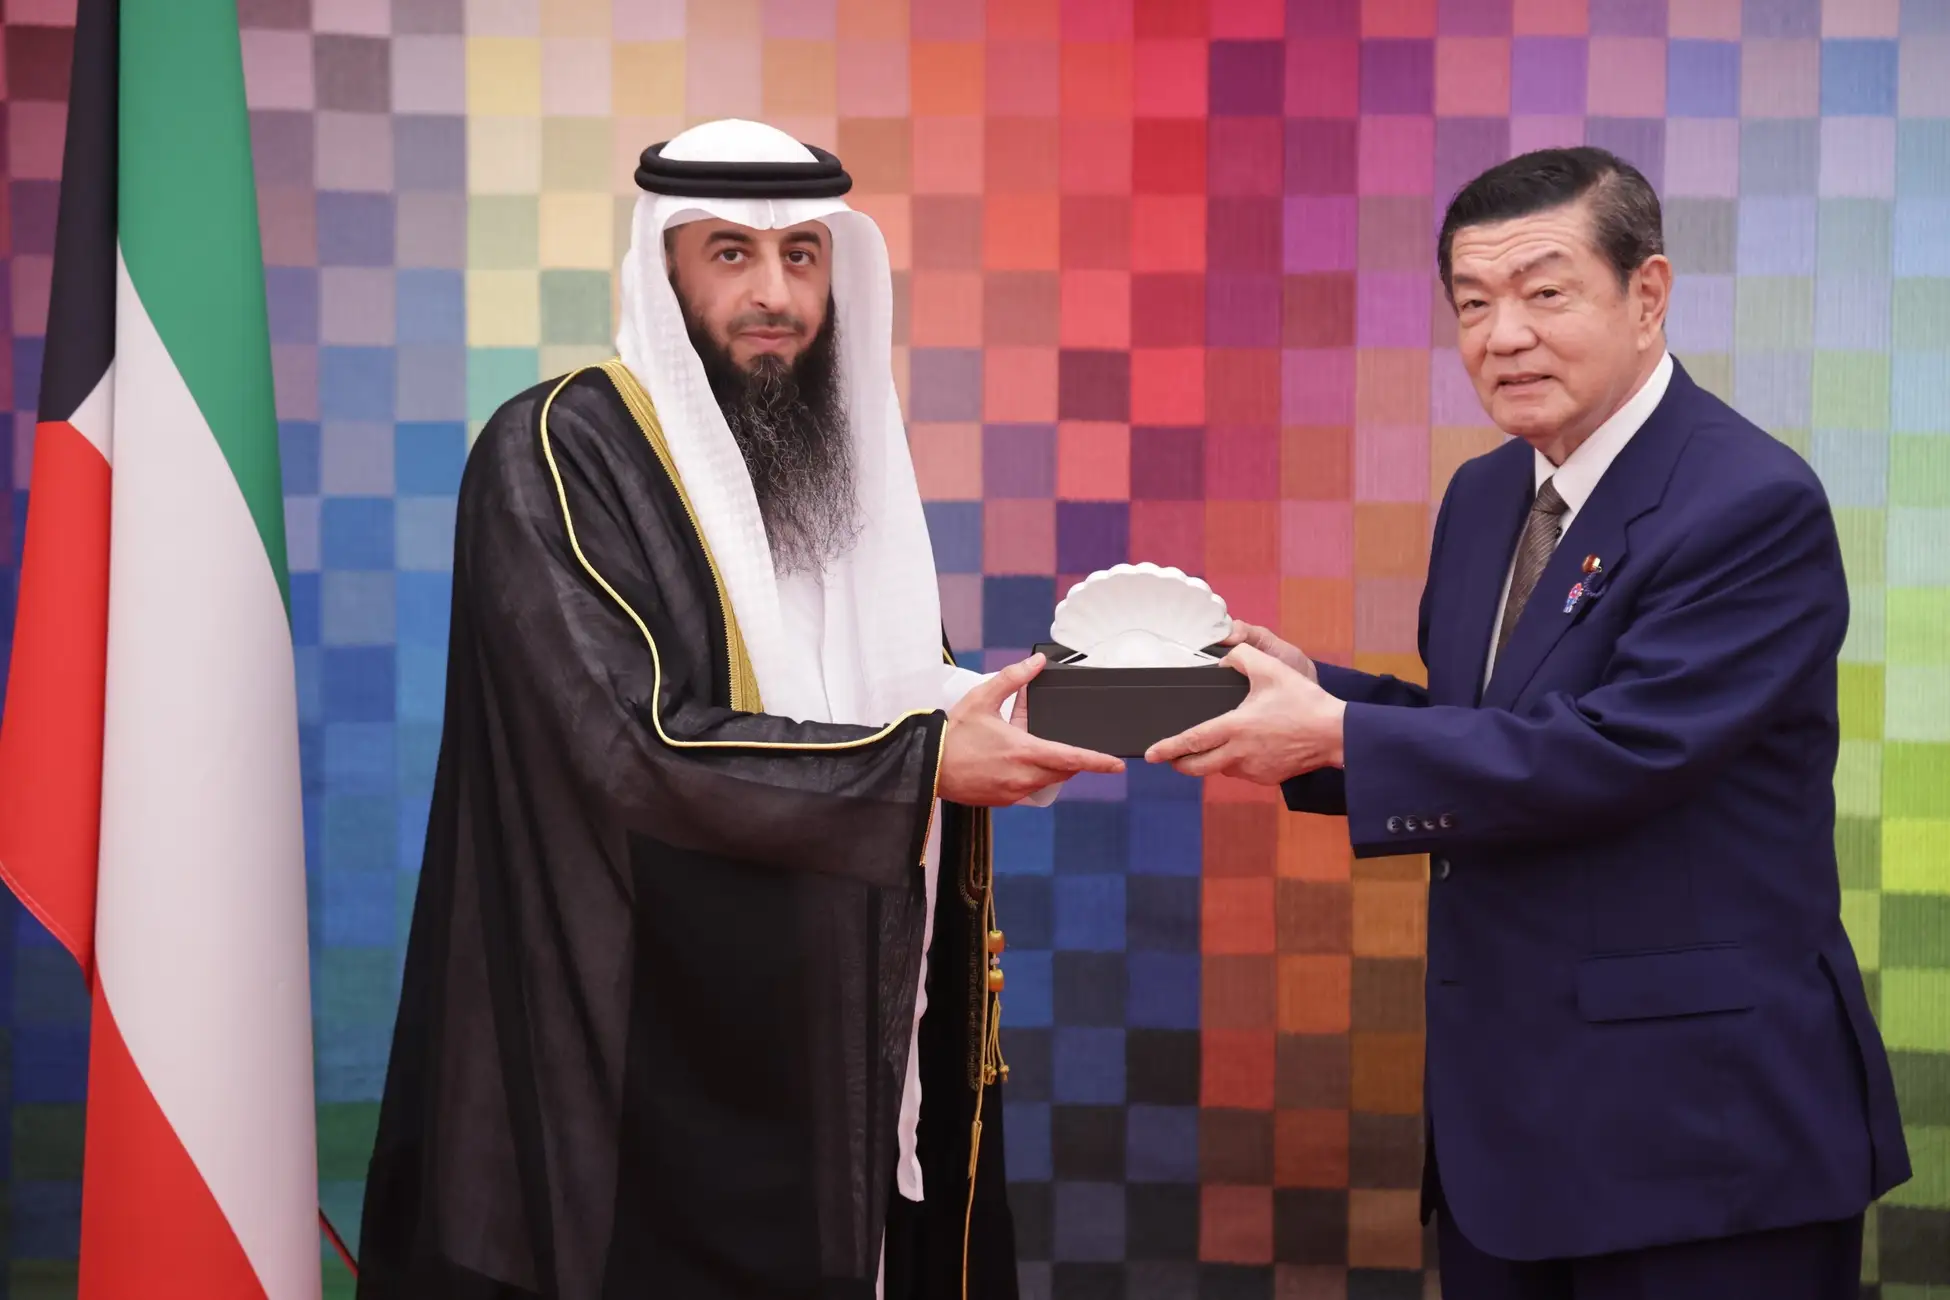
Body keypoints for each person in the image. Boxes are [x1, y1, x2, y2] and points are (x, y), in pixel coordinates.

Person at [355, 119, 1121, 1300]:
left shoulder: (827, 462)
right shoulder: (559, 450)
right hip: (643, 1053)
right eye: (731, 254)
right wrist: (926, 763)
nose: (776, 294)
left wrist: (1012, 709)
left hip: (840, 1029)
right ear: (663, 267)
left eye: (802, 255)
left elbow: (885, 688)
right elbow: (627, 742)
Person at [1147, 147, 1909, 1299]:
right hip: (1509, 1126)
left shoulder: (1749, 501)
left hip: (1702, 1132)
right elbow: (1494, 728)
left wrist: (1339, 734)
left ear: (1647, 295)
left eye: (1545, 292)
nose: (1503, 336)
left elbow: (1623, 748)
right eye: (1472, 304)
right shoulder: (1486, 494)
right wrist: (1312, 693)